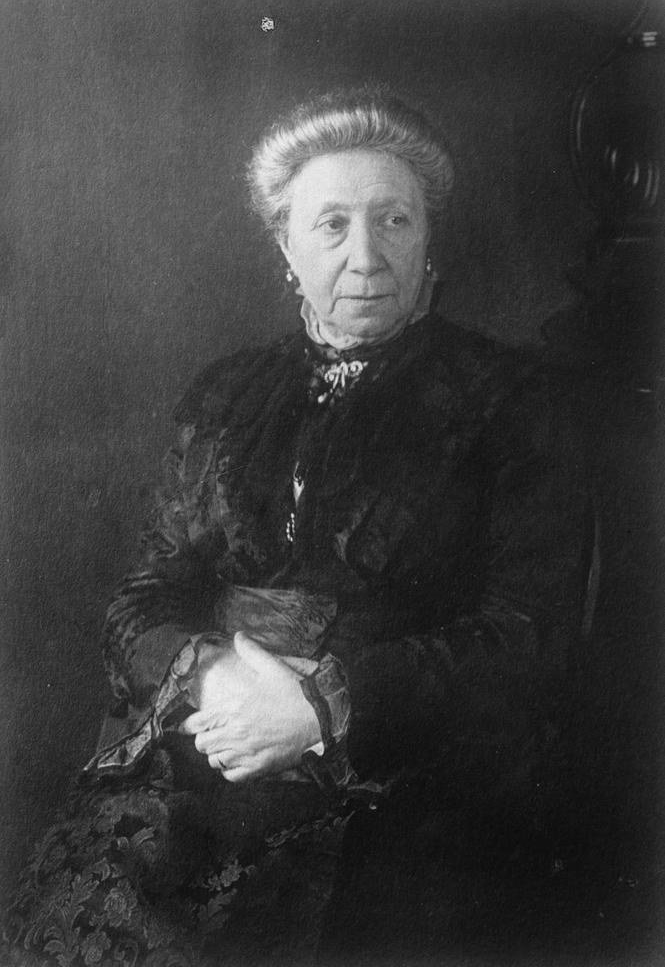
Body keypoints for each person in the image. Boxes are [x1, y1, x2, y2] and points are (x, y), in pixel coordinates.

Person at [5, 85, 591, 966]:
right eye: (332, 225)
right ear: (285, 246)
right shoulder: (225, 395)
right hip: (212, 748)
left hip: (409, 777)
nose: (366, 256)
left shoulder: (511, 402)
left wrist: (323, 707)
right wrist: (212, 682)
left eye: (393, 220)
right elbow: (144, 597)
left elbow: (528, 632)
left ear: (427, 236)